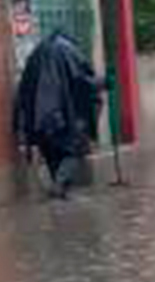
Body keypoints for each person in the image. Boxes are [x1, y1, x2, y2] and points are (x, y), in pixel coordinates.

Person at [12, 32, 105, 199]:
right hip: (60, 115)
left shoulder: (36, 54)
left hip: (38, 118)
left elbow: (23, 89)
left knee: (51, 152)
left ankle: (60, 191)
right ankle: (59, 185)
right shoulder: (68, 51)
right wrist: (102, 83)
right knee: (75, 149)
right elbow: (82, 80)